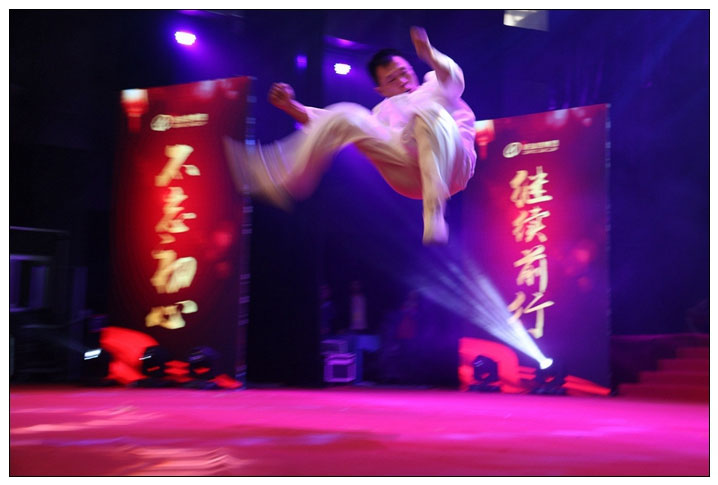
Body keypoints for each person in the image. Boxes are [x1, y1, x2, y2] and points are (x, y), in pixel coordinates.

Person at [224, 26, 477, 244]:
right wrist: (292, 107)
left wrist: (429, 53)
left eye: (404, 72)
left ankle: (434, 212)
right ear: (380, 89)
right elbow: (327, 122)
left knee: (428, 112)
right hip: (409, 175)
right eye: (392, 79)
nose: (402, 80)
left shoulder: (434, 86)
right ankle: (275, 176)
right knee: (347, 114)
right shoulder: (381, 112)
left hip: (453, 165)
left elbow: (454, 78)